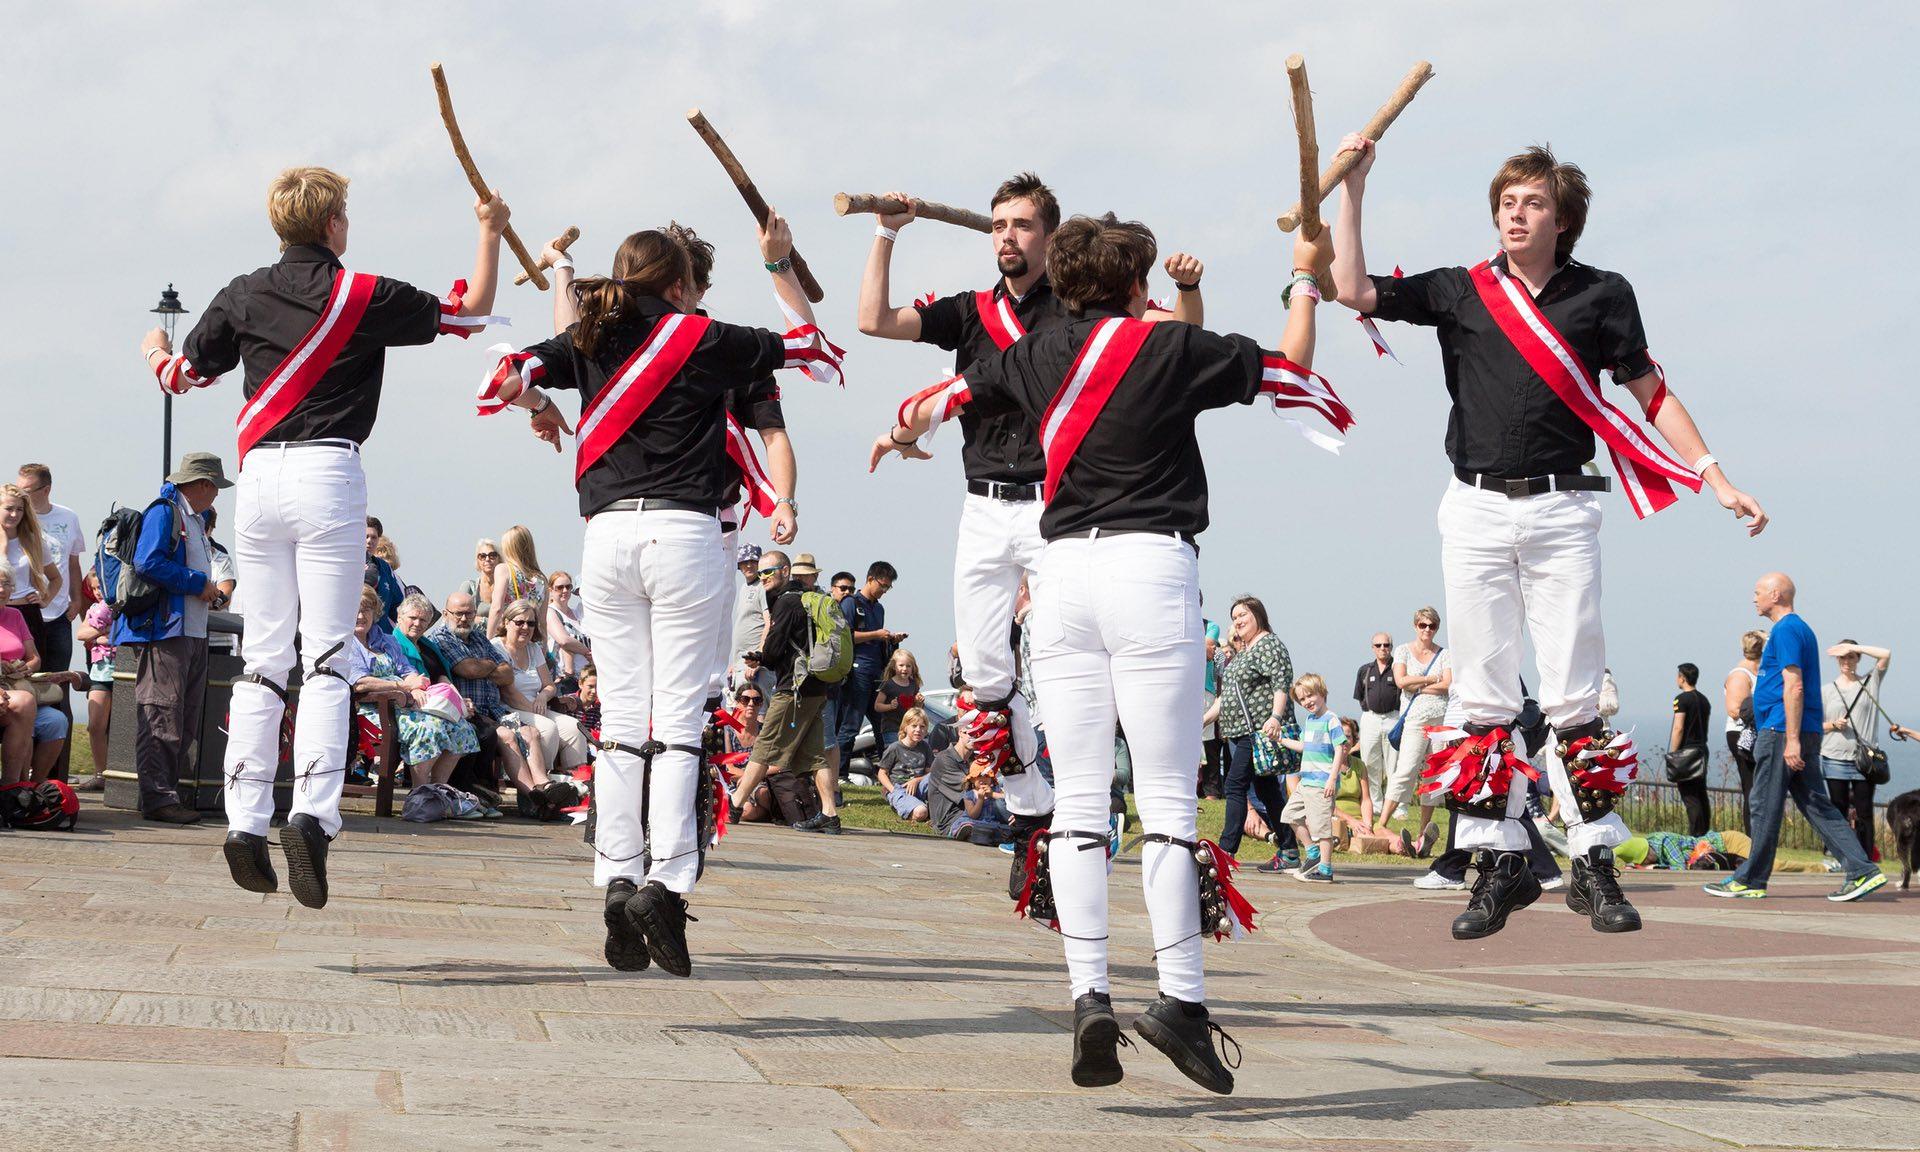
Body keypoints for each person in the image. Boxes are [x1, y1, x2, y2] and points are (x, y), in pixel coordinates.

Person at [876, 211, 1346, 1096]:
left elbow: (937, 403)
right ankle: (1180, 1003)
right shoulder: (1171, 349)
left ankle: (1089, 994)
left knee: (1081, 802)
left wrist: (903, 430)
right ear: (1138, 287)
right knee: (1167, 802)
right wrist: (1305, 278)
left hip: (1060, 579)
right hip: (1148, 566)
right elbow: (1293, 369)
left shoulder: (1033, 352)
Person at [1332, 136, 1768, 941]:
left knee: (1575, 690)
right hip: (1473, 507)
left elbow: (1652, 393)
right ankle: (1496, 866)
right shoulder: (1462, 290)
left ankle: (1594, 864)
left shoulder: (1602, 294)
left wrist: (1714, 475)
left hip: (1565, 508)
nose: (1515, 214)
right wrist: (1354, 189)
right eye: (1505, 203)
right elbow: (1352, 288)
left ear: (1563, 220)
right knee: (1481, 696)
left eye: (1532, 203)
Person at [142, 165, 509, 907]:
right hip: (329, 475)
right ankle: (311, 814)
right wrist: (489, 232)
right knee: (331, 655)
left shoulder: (242, 291)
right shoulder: (363, 294)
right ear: (335, 223)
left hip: (260, 480)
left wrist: (153, 346)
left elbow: (182, 375)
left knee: (264, 658)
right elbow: (467, 314)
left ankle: (246, 820)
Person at [481, 212, 833, 977]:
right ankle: (666, 883)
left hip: (604, 538)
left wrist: (539, 406)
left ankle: (615, 873)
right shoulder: (706, 339)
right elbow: (814, 349)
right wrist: (780, 267)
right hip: (682, 535)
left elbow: (499, 377)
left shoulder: (591, 339)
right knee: (675, 723)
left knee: (618, 723)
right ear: (679, 286)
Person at [858, 174, 1196, 900]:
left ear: (1050, 236)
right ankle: (1033, 812)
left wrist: (1182, 293)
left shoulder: (1078, 304)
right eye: (998, 225)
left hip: (1055, 505)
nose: (1007, 236)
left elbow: (1169, 330)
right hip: (982, 504)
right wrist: (887, 233)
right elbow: (873, 321)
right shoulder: (970, 311)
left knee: (1065, 667)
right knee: (985, 682)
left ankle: (1077, 819)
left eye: (1021, 225)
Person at [1704, 574, 1884, 901]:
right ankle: (1863, 869)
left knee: (1762, 804)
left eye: (1758, 592)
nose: (1753, 598)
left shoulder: (1786, 630)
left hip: (1780, 730)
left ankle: (1750, 880)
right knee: (1816, 803)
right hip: (1803, 729)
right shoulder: (1800, 629)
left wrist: (1791, 740)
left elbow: (1794, 685)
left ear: (1775, 594)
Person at [108, 453, 230, 826]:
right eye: (215, 488)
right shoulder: (165, 512)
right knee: (163, 714)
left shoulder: (188, 517)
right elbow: (148, 561)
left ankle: (166, 793)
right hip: (166, 631)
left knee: (182, 717)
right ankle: (158, 797)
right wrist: (199, 584)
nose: (217, 496)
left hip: (189, 630)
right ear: (204, 485)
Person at [725, 552, 842, 835]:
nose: (763, 577)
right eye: (761, 573)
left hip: (794, 687)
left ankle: (735, 803)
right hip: (816, 687)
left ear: (785, 571)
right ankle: (829, 813)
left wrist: (760, 658)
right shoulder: (807, 598)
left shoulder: (786, 602)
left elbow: (776, 650)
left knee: (765, 745)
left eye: (769, 572)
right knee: (816, 754)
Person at [344, 586, 479, 791]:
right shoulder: (348, 643)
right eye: (356, 610)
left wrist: (415, 686)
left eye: (367, 610)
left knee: (461, 728)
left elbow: (408, 670)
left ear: (375, 613)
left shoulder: (386, 640)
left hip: (403, 704)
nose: (361, 616)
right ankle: (419, 793)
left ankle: (438, 791)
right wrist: (403, 687)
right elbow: (359, 683)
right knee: (430, 728)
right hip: (372, 711)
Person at [424, 592, 542, 811]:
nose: (463, 618)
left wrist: (480, 667)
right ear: (446, 613)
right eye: (458, 613)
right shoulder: (442, 637)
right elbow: (467, 669)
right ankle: (532, 796)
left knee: (531, 733)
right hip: (468, 710)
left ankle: (542, 789)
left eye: (469, 613)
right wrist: (488, 666)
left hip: (495, 710)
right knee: (502, 736)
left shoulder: (478, 637)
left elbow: (508, 675)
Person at [1204, 596, 1297, 871]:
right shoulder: (1244, 651)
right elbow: (1226, 698)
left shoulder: (1269, 644)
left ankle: (1226, 851)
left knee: (1234, 786)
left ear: (1258, 614)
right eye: (1234, 617)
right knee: (1269, 792)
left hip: (1256, 732)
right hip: (1239, 732)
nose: (1238, 621)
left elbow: (1282, 683)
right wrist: (1203, 721)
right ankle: (1289, 851)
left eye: (1243, 614)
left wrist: (1276, 717)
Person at [1375, 607, 1451, 855]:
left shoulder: (1444, 653)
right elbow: (1401, 682)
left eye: (1432, 626)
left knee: (1432, 776)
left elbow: (1448, 684)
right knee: (1405, 770)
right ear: (1415, 626)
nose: (1427, 630)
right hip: (1415, 719)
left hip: (1440, 721)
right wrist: (1430, 681)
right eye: (1423, 625)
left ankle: (1422, 835)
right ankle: (1382, 823)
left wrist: (1417, 684)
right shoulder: (1403, 651)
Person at [496, 598, 592, 783]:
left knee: (574, 727)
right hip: (508, 709)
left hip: (536, 706)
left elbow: (550, 685)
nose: (526, 627)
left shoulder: (534, 648)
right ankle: (543, 784)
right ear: (507, 623)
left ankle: (578, 781)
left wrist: (542, 696)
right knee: (547, 728)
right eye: (520, 622)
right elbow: (507, 691)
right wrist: (536, 709)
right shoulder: (496, 647)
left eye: (531, 623)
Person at [1820, 639, 1891, 861]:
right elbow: (1813, 724)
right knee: (1838, 810)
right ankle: (1843, 856)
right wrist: (1833, 725)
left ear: (1858, 659)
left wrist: (1856, 647)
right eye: (1842, 657)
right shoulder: (1826, 691)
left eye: (1851, 656)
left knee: (1865, 812)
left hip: (1864, 759)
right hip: (1834, 757)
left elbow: (1885, 653)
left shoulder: (1870, 682)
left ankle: (1867, 859)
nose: (1846, 661)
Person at [1275, 674, 1348, 882]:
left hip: (1321, 783)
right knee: (1289, 815)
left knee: (1321, 827)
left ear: (1321, 693)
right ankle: (1313, 853)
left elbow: (1340, 748)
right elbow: (1304, 746)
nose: (1307, 702)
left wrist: (1332, 779)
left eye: (1310, 696)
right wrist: (1282, 740)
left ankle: (1325, 869)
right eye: (1302, 700)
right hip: (1305, 782)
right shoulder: (1310, 720)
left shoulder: (1331, 719)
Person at [14, 465, 84, 674]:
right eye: (18, 491)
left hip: (59, 614)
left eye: (26, 491)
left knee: (57, 681)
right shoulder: (15, 520)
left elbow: (73, 563)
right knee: (23, 678)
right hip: (22, 612)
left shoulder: (68, 517)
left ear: (46, 490)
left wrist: (77, 601)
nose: (21, 497)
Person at [835, 561, 903, 769]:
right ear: (870, 579)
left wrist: (891, 639)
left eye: (888, 587)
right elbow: (844, 636)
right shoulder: (850, 603)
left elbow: (876, 639)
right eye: (882, 585)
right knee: (851, 725)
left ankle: (887, 771)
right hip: (857, 670)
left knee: (882, 724)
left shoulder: (879, 608)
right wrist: (876, 634)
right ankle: (840, 772)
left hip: (877, 672)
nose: (884, 590)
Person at [2, 483, 62, 660]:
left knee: (31, 672)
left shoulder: (32, 541)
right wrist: (3, 546)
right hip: (2, 613)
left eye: (19, 509)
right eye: (9, 508)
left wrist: (44, 600)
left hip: (27, 613)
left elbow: (55, 578)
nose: (14, 514)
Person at [1352, 630, 1400, 816]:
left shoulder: (1398, 667)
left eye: (1386, 645)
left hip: (1393, 717)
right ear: (1373, 648)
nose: (1382, 649)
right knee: (1370, 763)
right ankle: (1377, 804)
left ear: (1391, 647)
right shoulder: (1365, 670)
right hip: (1370, 717)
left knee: (1393, 764)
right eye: (1378, 645)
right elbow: (1359, 695)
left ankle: (1396, 807)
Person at [75, 571, 115, 789]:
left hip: (125, 671)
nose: (99, 592)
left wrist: (100, 633)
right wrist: (105, 630)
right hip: (101, 673)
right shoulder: (92, 609)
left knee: (123, 726)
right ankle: (101, 774)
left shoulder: (125, 606)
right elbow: (81, 634)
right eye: (95, 589)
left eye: (102, 586)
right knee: (95, 725)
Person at [1724, 629, 1764, 832]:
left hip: (1758, 732)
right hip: (1743, 734)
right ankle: (1752, 834)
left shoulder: (1760, 672)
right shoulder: (1741, 675)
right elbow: (1734, 710)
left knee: (1758, 785)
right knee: (1752, 785)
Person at [1668, 663, 1713, 837]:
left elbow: (1678, 727)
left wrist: (1673, 752)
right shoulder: (1704, 700)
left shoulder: (1681, 700)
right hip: (1701, 750)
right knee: (1701, 793)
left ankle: (1695, 835)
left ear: (1682, 678)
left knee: (1689, 796)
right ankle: (1704, 832)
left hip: (1686, 752)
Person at [487, 525, 547, 643]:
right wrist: (544, 648)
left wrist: (488, 639)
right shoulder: (542, 579)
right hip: (532, 642)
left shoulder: (504, 569)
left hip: (510, 639)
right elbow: (543, 621)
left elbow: (497, 608)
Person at [878, 707, 936, 823]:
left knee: (937, 775)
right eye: (914, 726)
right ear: (905, 727)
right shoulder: (895, 747)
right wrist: (893, 790)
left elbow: (930, 773)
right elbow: (882, 773)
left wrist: (916, 780)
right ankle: (911, 807)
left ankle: (939, 808)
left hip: (918, 786)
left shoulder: (925, 747)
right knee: (921, 813)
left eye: (922, 727)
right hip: (900, 788)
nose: (918, 730)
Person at [870, 648, 923, 753]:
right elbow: (877, 706)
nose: (905, 669)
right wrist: (890, 706)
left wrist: (919, 702)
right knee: (894, 754)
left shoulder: (913, 684)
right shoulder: (888, 684)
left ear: (913, 668)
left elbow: (915, 709)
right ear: (894, 667)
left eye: (908, 666)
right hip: (891, 728)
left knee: (908, 755)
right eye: (901, 665)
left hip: (908, 729)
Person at [545, 571, 591, 680]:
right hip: (565, 678)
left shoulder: (578, 613)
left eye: (568, 587)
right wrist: (588, 653)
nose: (565, 590)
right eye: (560, 587)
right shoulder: (550, 612)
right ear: (551, 590)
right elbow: (563, 640)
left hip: (586, 677)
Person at [460, 539, 502, 637]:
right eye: (482, 556)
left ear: (499, 559)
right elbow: (459, 617)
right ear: (478, 561)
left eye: (492, 555)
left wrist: (478, 619)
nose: (487, 559)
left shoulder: (508, 588)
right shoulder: (469, 587)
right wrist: (489, 622)